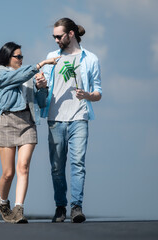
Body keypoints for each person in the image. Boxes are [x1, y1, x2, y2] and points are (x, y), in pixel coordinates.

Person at [0, 42, 59, 223]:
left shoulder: (28, 75)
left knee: (23, 167)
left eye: (22, 57)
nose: (21, 59)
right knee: (8, 173)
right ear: (7, 57)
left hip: (28, 122)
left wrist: (42, 87)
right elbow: (14, 79)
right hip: (7, 122)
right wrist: (40, 65)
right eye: (17, 57)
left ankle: (19, 209)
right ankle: (3, 203)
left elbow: (41, 102)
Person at [41, 18, 102, 223]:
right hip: (55, 119)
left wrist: (87, 95)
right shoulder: (51, 57)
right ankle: (60, 207)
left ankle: (76, 206)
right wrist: (39, 83)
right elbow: (42, 86)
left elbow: (98, 93)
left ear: (71, 34)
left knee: (78, 163)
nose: (56, 40)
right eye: (54, 37)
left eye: (59, 36)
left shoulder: (90, 59)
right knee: (57, 166)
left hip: (79, 117)